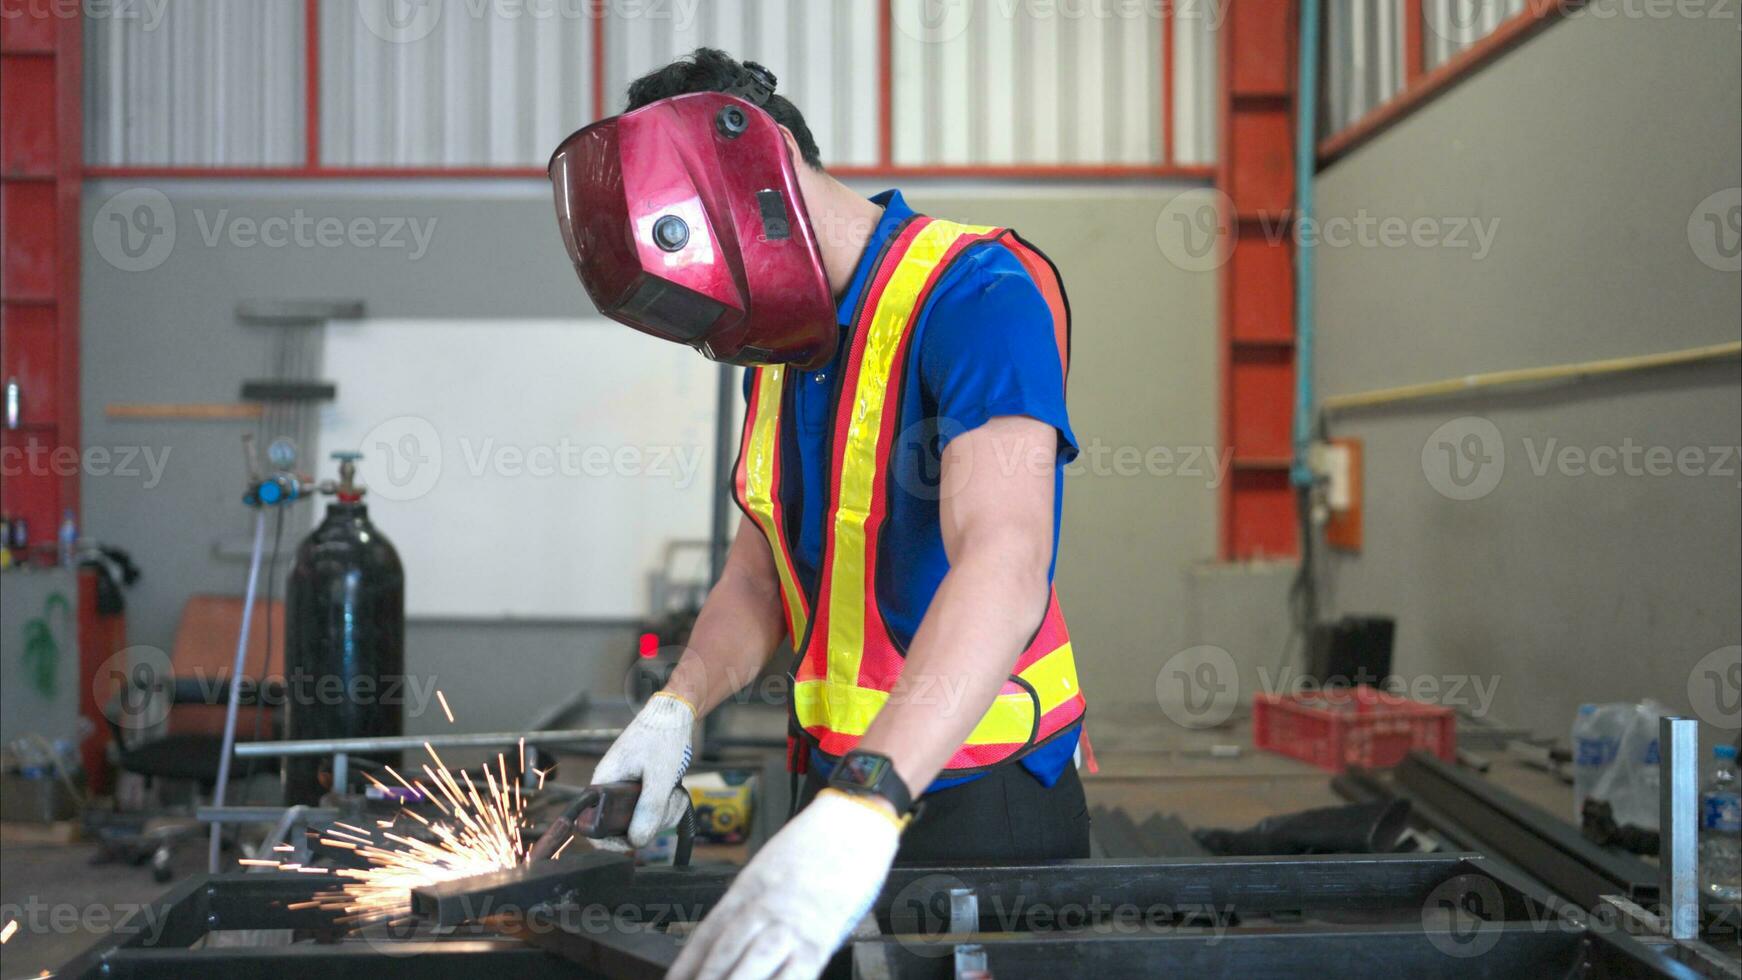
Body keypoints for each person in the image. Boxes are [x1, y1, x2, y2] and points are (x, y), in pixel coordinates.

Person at [546, 48, 1090, 980]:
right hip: (831, 783)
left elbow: (1004, 559)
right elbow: (756, 576)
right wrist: (679, 707)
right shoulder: (775, 342)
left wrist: (870, 800)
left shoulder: (980, 293)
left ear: (764, 178)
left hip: (977, 802)